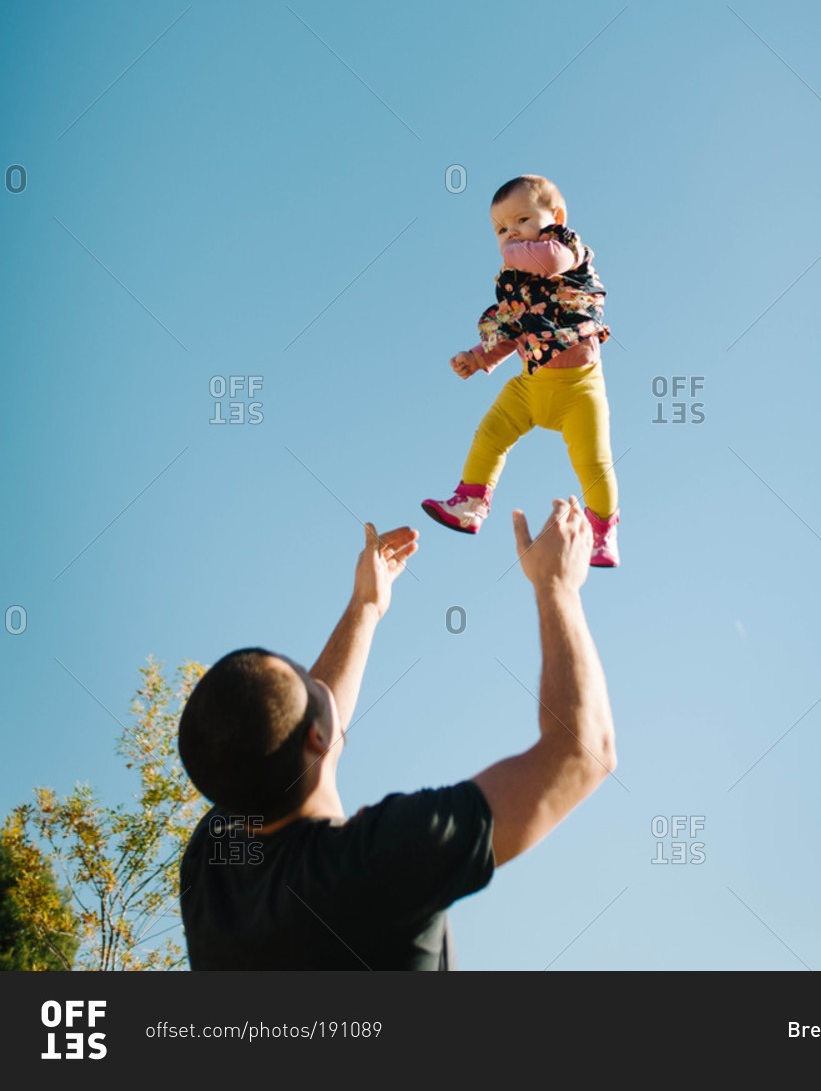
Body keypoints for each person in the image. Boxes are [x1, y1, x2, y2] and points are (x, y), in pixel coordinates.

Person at [177, 496, 615, 970]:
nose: (318, 679)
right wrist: (558, 586)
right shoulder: (380, 861)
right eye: (307, 677)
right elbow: (581, 753)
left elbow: (284, 737)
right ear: (317, 738)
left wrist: (365, 607)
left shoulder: (211, 866)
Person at [422, 174, 620, 566]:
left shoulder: (568, 248)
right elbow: (511, 332)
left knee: (593, 463)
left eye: (522, 220)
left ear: (556, 216)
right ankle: (470, 502)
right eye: (500, 229)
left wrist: (513, 248)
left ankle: (602, 532)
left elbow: (544, 260)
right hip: (531, 388)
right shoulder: (517, 286)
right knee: (490, 432)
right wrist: (476, 359)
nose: (511, 234)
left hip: (580, 391)